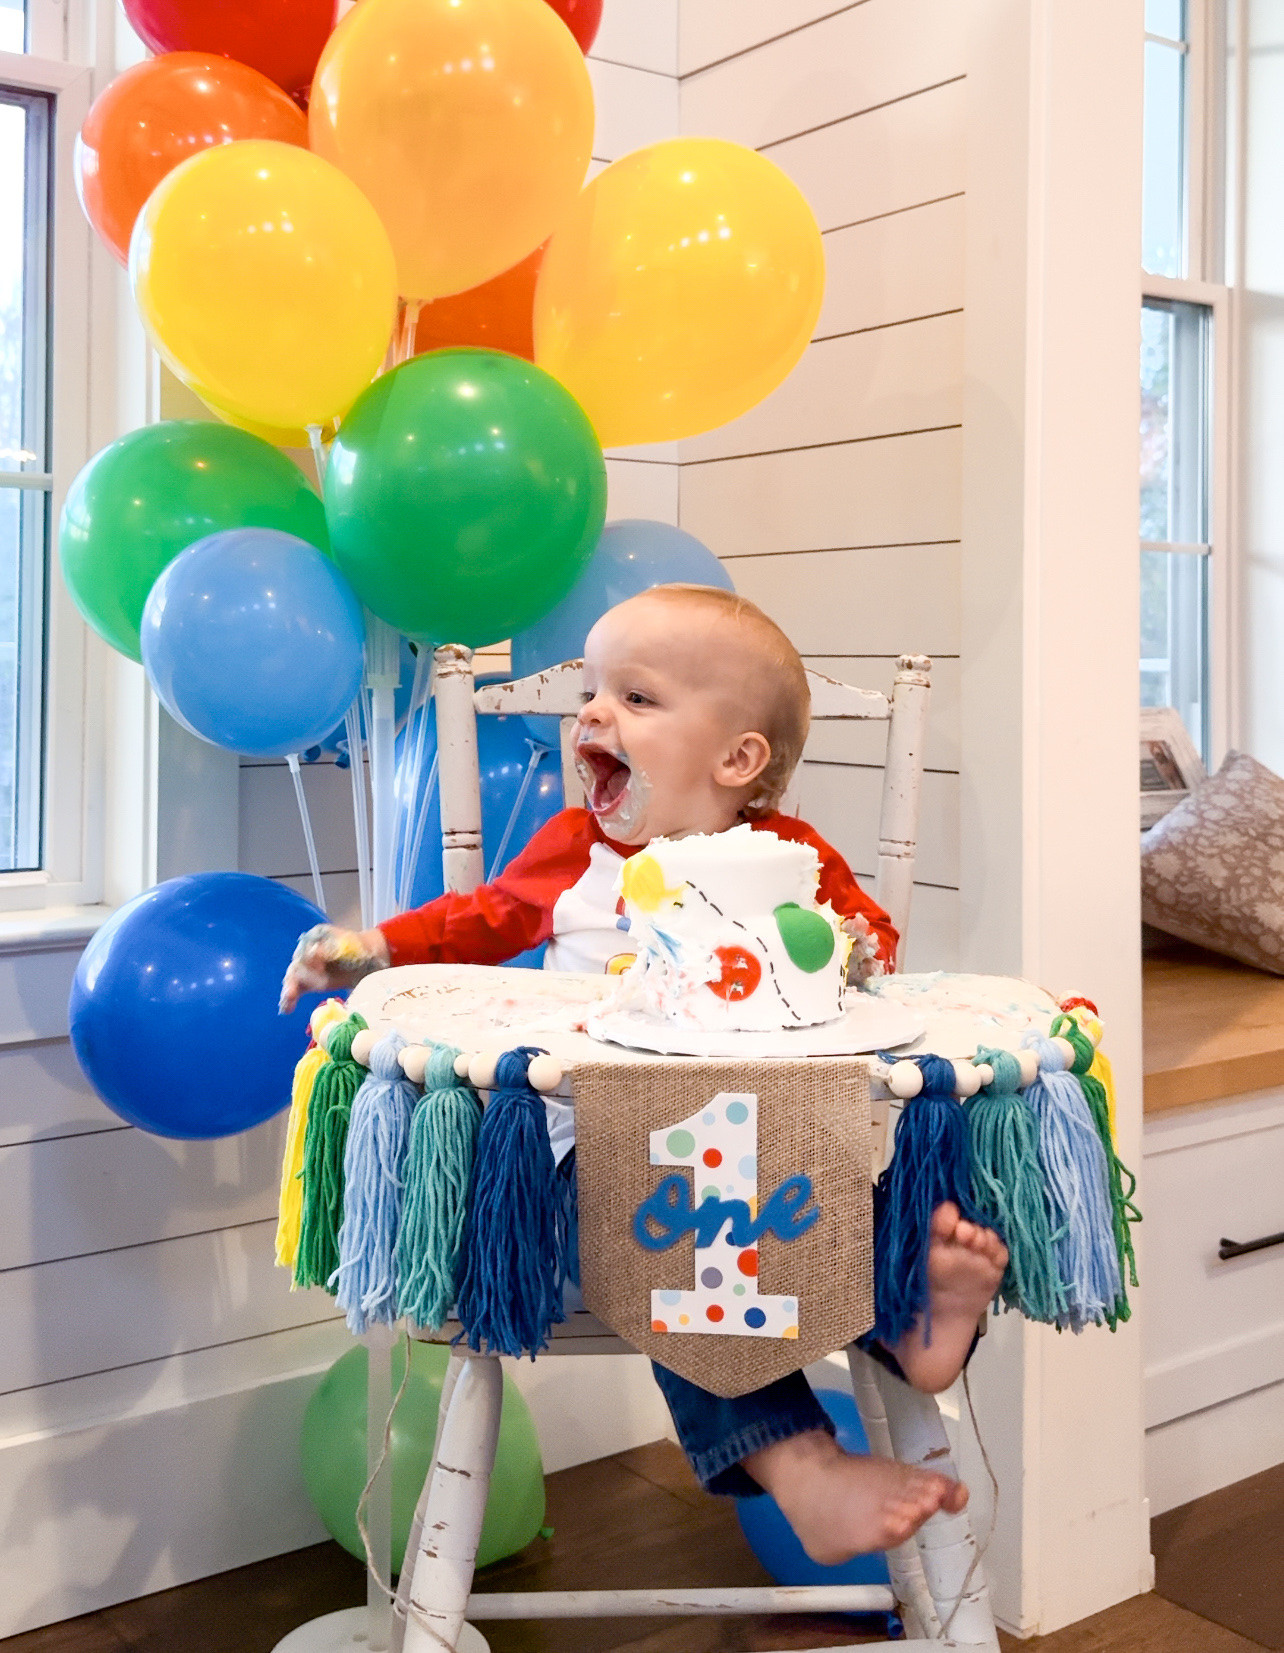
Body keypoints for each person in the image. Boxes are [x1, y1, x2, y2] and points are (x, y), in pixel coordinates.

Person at [280, 584, 1007, 1563]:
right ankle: (799, 1464)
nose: (592, 713)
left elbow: (868, 942)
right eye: (591, 690)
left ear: (737, 759)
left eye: (636, 697)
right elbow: (478, 922)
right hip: (608, 1148)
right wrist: (369, 948)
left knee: (880, 1180)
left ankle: (915, 1318)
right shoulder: (578, 852)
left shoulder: (783, 859)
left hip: (775, 1132)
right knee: (692, 1242)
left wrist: (837, 944)